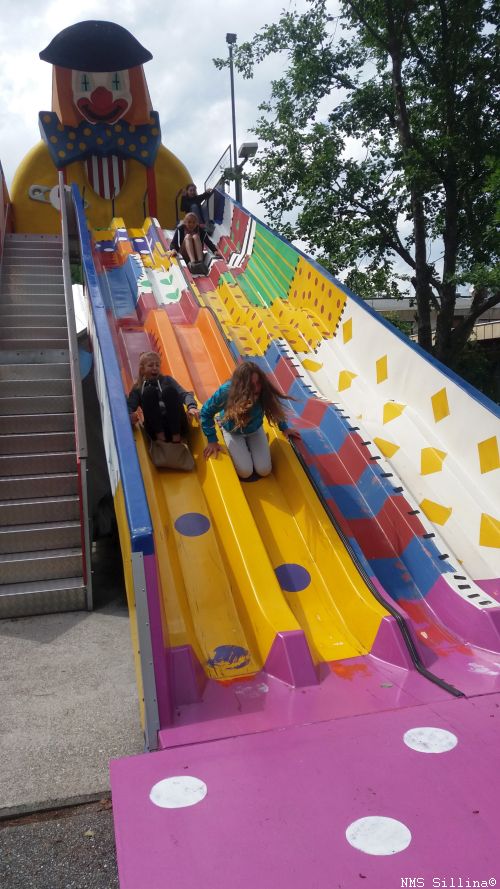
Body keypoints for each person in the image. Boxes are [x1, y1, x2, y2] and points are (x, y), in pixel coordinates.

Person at [200, 361, 301, 479]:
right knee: (245, 472)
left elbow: (273, 408)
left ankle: (250, 447)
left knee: (264, 470)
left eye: (258, 383)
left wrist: (284, 428)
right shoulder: (227, 391)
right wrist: (212, 440)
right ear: (241, 385)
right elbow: (206, 412)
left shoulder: (263, 390)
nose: (256, 388)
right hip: (233, 431)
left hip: (255, 430)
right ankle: (222, 424)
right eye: (251, 385)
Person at [127, 351, 199, 443]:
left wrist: (191, 406)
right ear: (142, 369)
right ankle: (160, 437)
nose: (155, 368)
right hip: (155, 429)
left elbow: (184, 394)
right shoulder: (138, 387)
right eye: (150, 365)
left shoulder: (167, 380)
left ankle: (176, 438)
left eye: (157, 365)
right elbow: (129, 405)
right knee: (148, 392)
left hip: (177, 426)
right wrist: (129, 415)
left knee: (169, 391)